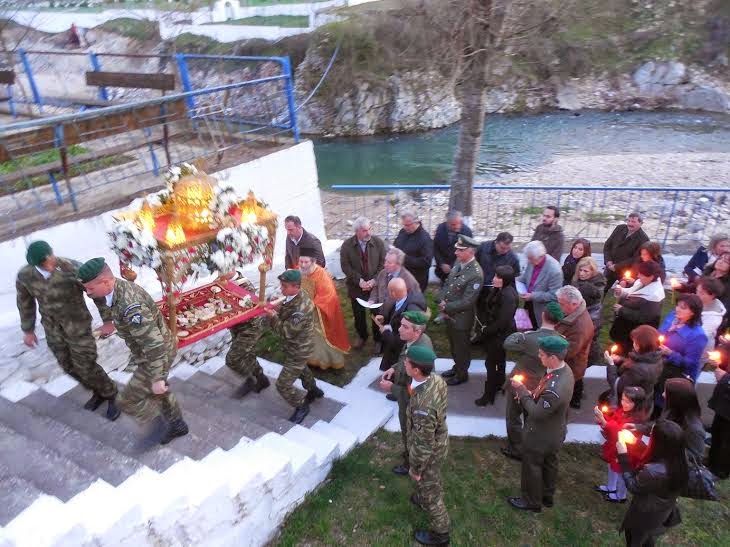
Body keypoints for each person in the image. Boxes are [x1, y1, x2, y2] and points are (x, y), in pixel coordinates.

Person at [78, 258, 186, 443]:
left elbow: (154, 344)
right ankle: (177, 424)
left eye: (90, 288)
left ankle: (159, 426)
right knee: (158, 392)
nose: (87, 293)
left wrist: (157, 377)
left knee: (127, 400)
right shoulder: (117, 292)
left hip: (156, 355)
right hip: (151, 351)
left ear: (105, 282)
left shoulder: (129, 305)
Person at [16, 242, 119, 420]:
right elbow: (25, 303)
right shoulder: (26, 275)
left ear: (51, 254)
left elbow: (97, 293)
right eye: (43, 263)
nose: (49, 264)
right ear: (36, 264)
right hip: (53, 329)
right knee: (68, 366)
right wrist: (28, 330)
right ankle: (98, 392)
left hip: (78, 326)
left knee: (86, 365)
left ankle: (111, 395)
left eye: (49, 259)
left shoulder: (71, 268)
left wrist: (108, 321)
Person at [508, 336, 575, 512]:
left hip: (541, 435)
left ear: (552, 357)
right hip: (555, 431)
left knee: (532, 466)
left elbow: (536, 413)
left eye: (542, 354)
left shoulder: (555, 388)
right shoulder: (564, 370)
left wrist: (522, 392)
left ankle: (531, 501)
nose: (539, 357)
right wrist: (531, 394)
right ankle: (547, 495)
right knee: (550, 463)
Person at [501, 302, 566, 460]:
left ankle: (516, 449)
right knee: (532, 418)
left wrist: (521, 334)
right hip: (542, 385)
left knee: (514, 416)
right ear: (558, 321)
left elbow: (508, 343)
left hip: (520, 383)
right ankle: (532, 446)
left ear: (543, 315)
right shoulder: (561, 341)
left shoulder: (530, 338)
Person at [616, 419, 688, 547]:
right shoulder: (679, 459)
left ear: (659, 444)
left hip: (644, 516)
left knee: (635, 539)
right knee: (646, 537)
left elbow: (633, 485)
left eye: (651, 434)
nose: (649, 435)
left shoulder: (652, 471)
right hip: (661, 512)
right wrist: (636, 443)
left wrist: (623, 456)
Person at [404, 345, 450, 546]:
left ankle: (441, 534)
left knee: (430, 491)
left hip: (429, 450)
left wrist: (415, 468)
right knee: (431, 480)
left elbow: (423, 444)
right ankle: (424, 496)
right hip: (440, 441)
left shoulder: (423, 405)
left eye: (407, 362)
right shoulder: (436, 379)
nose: (404, 363)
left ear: (415, 370)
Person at [265, 269, 323, 424]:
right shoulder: (293, 295)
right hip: (294, 346)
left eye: (284, 286)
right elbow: (287, 309)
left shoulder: (301, 309)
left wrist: (272, 317)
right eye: (281, 285)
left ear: (296, 286)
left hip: (299, 349)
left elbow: (286, 331)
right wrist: (280, 306)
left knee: (282, 384)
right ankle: (313, 390)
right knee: (302, 368)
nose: (281, 289)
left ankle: (302, 405)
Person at [379, 311, 433, 475]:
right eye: (401, 324)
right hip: (407, 398)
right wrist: (394, 367)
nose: (399, 329)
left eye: (404, 327)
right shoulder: (413, 342)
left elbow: (416, 391)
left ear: (417, 331)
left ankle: (413, 464)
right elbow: (404, 360)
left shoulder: (419, 355)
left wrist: (392, 388)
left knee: (411, 433)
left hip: (413, 405)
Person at [439, 235, 484, 386]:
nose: (456, 253)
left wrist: (447, 306)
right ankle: (457, 366)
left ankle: (462, 374)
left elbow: (468, 301)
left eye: (460, 250)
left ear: (470, 252)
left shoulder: (476, 274)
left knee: (461, 347)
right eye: (457, 249)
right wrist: (442, 299)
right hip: (450, 314)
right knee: (453, 344)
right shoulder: (459, 262)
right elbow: (448, 283)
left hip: (462, 318)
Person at [593, 386, 650, 503]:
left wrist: (603, 421)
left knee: (621, 473)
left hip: (626, 452)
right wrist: (604, 418)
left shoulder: (636, 419)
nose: (624, 403)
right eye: (623, 399)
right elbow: (614, 420)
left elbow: (617, 431)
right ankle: (611, 487)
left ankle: (620, 495)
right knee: (612, 467)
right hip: (615, 448)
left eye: (628, 402)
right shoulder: (624, 411)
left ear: (638, 404)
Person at [339, 216, 387, 350]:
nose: (369, 233)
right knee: (358, 313)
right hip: (356, 287)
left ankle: (378, 339)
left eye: (369, 229)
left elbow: (383, 264)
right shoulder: (347, 245)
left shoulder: (378, 243)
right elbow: (345, 266)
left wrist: (375, 280)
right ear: (357, 231)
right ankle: (362, 336)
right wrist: (359, 280)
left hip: (376, 288)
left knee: (377, 313)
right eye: (365, 231)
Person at [299, 250, 350, 369]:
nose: (302, 265)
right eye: (301, 261)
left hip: (319, 313)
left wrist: (310, 305)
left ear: (313, 262)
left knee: (321, 339)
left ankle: (328, 361)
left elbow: (328, 295)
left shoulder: (322, 275)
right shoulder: (301, 271)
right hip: (305, 309)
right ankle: (312, 359)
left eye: (306, 262)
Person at [474, 265, 518, 406]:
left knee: (491, 364)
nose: (494, 279)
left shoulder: (508, 296)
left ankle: (489, 394)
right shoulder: (500, 290)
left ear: (505, 280)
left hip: (499, 335)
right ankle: (499, 384)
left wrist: (486, 330)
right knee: (499, 362)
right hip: (496, 333)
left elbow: (503, 321)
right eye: (495, 275)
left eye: (498, 277)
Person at [224, 275, 270, 397]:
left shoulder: (244, 285)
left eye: (222, 269)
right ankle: (261, 378)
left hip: (250, 328)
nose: (219, 273)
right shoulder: (221, 281)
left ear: (232, 267)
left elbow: (248, 309)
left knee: (232, 359)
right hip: (237, 327)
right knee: (247, 355)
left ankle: (250, 379)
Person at [610, 260, 665, 353]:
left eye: (641, 274)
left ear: (651, 277)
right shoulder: (643, 282)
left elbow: (644, 317)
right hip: (625, 328)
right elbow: (633, 292)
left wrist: (622, 310)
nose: (638, 276)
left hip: (635, 334)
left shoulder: (654, 295)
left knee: (627, 353)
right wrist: (622, 291)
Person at [375, 277, 427, 371]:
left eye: (388, 291)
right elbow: (396, 316)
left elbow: (405, 341)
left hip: (404, 357)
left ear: (393, 293)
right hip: (396, 348)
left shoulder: (412, 310)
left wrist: (385, 333)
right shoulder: (403, 298)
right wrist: (385, 319)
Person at [556, 285, 595, 408]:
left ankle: (573, 401)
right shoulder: (576, 312)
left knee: (572, 385)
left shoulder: (579, 327)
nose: (559, 306)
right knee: (577, 381)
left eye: (562, 304)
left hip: (572, 365)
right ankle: (576, 398)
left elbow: (569, 352)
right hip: (575, 364)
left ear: (574, 304)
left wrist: (551, 346)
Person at [607, 325, 663, 409]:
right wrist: (621, 359)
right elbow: (640, 362)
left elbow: (618, 385)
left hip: (629, 405)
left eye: (635, 342)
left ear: (643, 345)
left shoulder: (638, 370)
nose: (633, 344)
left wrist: (611, 365)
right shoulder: (655, 357)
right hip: (645, 401)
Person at [657, 294, 707, 385]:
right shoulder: (672, 316)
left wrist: (670, 353)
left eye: (683, 308)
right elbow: (660, 333)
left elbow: (689, 363)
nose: (677, 309)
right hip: (659, 367)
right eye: (678, 305)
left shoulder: (698, 335)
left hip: (676, 377)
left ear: (693, 312)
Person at [517, 240, 562, 329]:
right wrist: (516, 281)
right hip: (528, 302)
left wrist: (533, 296)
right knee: (527, 327)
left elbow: (554, 295)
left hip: (541, 309)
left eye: (531, 258)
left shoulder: (554, 270)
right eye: (528, 258)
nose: (529, 261)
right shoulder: (532, 260)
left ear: (541, 256)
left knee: (537, 330)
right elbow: (526, 276)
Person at [572, 256, 607, 367]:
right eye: (580, 270)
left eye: (585, 271)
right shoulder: (577, 281)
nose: (582, 273)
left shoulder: (596, 287)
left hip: (589, 316)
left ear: (592, 271)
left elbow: (591, 303)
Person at [603, 213, 650, 294]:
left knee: (623, 293)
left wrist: (617, 266)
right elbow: (607, 245)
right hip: (610, 267)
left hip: (626, 271)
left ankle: (620, 306)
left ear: (641, 223)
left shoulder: (644, 239)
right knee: (602, 288)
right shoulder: (620, 228)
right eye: (629, 221)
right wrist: (608, 261)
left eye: (633, 222)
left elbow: (636, 258)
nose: (630, 224)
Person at [662, 378, 706, 461]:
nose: (663, 394)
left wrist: (666, 449)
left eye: (666, 393)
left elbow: (696, 456)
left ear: (676, 399)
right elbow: (660, 424)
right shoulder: (671, 410)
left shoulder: (694, 429)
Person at [393, 209, 434, 292]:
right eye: (403, 224)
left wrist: (405, 258)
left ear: (416, 222)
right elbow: (397, 243)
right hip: (400, 275)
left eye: (407, 225)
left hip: (416, 280)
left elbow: (426, 262)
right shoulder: (403, 231)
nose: (405, 227)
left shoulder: (424, 238)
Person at [433, 210, 473, 285]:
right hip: (442, 271)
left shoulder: (467, 232)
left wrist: (452, 266)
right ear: (447, 223)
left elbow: (467, 253)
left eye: (459, 223)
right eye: (453, 224)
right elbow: (436, 248)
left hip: (459, 271)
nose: (457, 227)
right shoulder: (440, 228)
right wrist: (441, 264)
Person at [707, 351, 730, 479]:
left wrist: (725, 378)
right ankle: (711, 463)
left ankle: (720, 470)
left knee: (726, 440)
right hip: (724, 402)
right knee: (717, 433)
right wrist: (719, 364)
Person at [696, 276, 726, 353]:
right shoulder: (699, 301)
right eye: (697, 291)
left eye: (702, 293)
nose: (697, 294)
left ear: (712, 295)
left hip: (700, 347)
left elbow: (700, 335)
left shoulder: (714, 317)